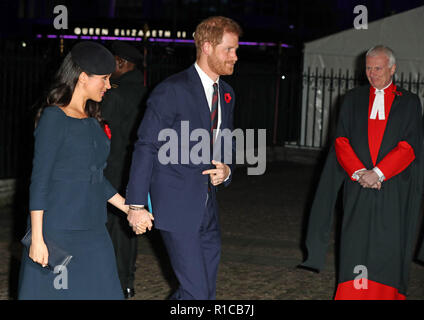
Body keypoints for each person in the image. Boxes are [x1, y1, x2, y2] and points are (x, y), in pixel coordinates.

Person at [17, 41, 146, 300]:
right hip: (58, 233)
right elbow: (40, 181)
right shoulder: (54, 118)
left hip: (94, 231)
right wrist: (38, 239)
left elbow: (95, 178)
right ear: (83, 77)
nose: (109, 85)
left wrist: (129, 208)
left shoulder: (90, 120)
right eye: (105, 79)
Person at [125, 16, 242, 300]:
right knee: (197, 292)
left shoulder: (226, 94)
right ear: (206, 47)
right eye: (229, 49)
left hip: (208, 207)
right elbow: (146, 145)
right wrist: (136, 204)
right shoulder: (171, 90)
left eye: (236, 50)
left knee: (204, 292)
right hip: (176, 207)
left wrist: (227, 170)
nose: (235, 57)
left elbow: (225, 143)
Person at [301, 45, 424, 300]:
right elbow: (341, 141)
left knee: (387, 246)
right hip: (357, 184)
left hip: (392, 188)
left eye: (378, 68)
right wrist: (359, 172)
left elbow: (410, 146)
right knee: (355, 244)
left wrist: (378, 173)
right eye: (368, 68)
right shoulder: (352, 99)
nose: (372, 73)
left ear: (392, 68)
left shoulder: (409, 102)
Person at [101, 41, 147, 299]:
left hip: (113, 167)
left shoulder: (115, 94)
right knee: (128, 228)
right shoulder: (146, 92)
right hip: (136, 169)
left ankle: (116, 283)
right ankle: (126, 281)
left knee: (112, 229)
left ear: (120, 63)